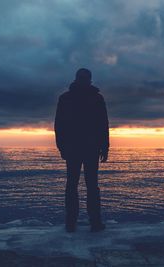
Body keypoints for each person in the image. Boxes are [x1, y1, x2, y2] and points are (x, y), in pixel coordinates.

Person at [54, 68, 109, 233]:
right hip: (76, 148)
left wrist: (105, 147)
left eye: (86, 78)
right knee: (76, 185)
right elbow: (59, 126)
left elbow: (103, 125)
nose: (84, 80)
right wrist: (62, 147)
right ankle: (75, 223)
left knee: (87, 186)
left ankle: (91, 222)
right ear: (78, 79)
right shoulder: (66, 99)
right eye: (82, 78)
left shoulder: (96, 98)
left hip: (87, 148)